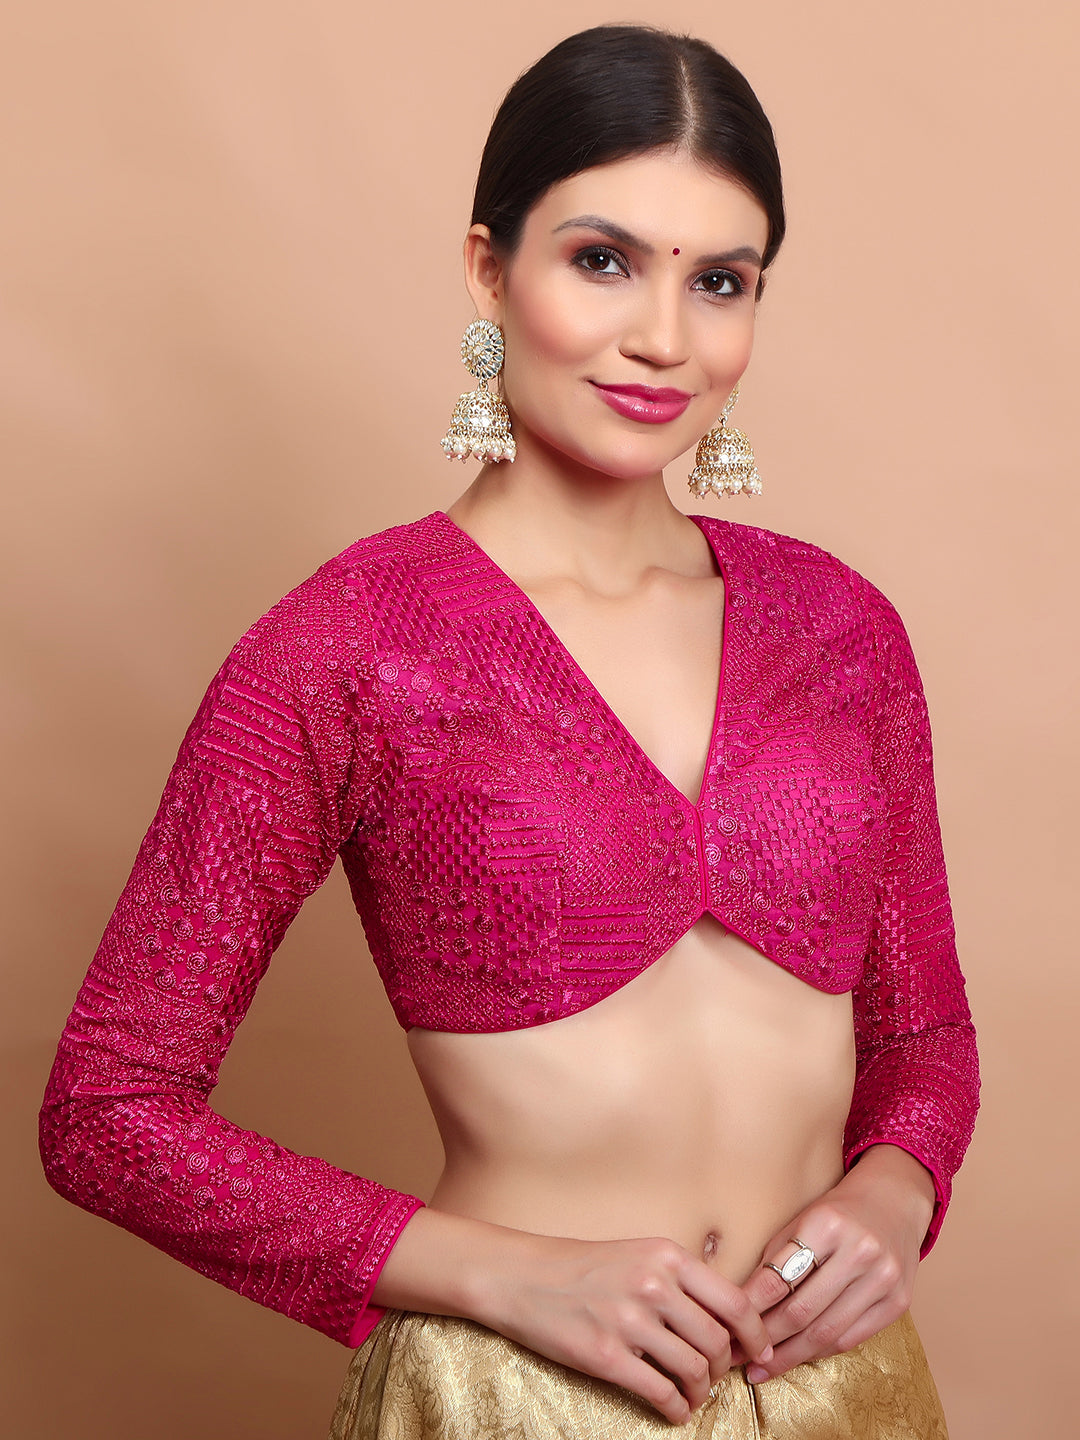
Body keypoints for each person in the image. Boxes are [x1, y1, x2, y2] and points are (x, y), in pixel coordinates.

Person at [38, 24, 979, 1439]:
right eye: (602, 261)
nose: (664, 338)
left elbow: (924, 1034)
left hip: (846, 1394)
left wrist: (896, 1192)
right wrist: (508, 1276)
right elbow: (107, 1110)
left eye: (719, 282)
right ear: (489, 269)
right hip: (513, 1399)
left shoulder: (843, 632)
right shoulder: (348, 648)